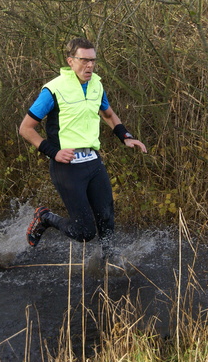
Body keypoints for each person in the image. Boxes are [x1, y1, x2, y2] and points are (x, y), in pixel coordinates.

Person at [19, 37, 147, 258]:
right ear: (71, 61)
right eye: (84, 60)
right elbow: (26, 128)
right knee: (85, 232)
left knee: (107, 221)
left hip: (93, 162)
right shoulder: (53, 90)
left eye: (93, 61)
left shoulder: (96, 84)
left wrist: (125, 136)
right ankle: (45, 217)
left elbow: (107, 113)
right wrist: (54, 152)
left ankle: (108, 266)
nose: (90, 66)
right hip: (67, 166)